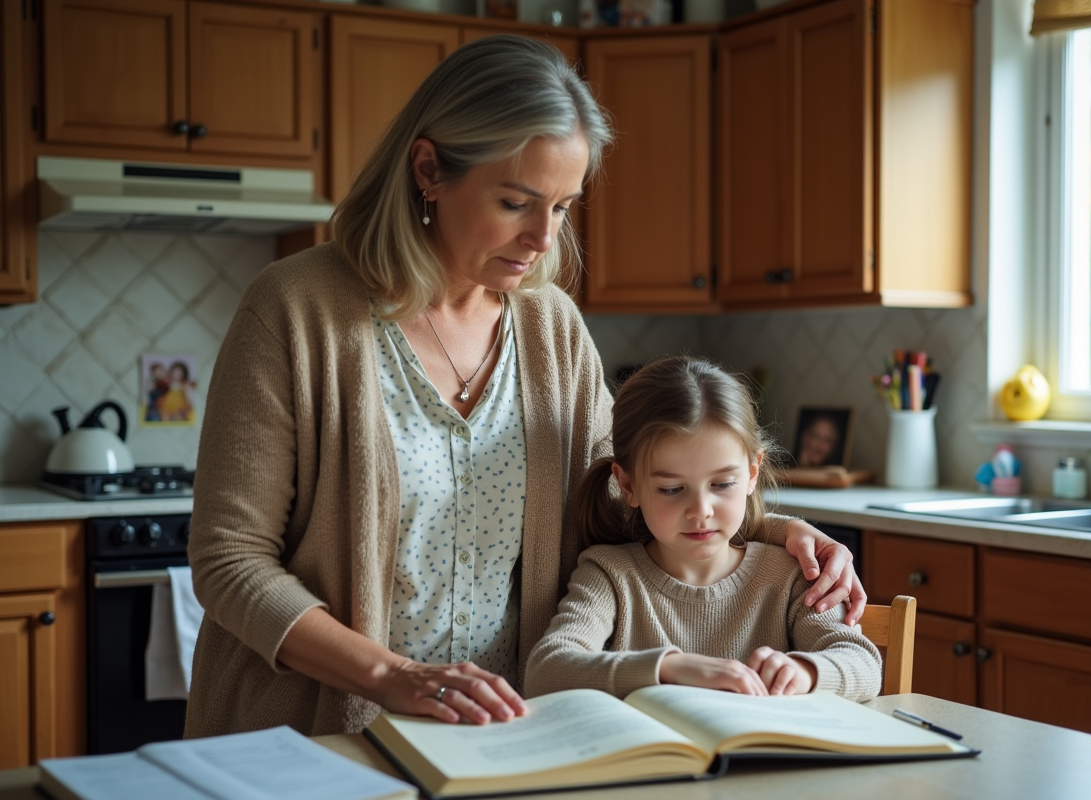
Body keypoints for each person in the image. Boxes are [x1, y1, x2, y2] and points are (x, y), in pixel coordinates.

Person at [185, 34, 866, 741]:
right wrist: (392, 677)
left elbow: (630, 492)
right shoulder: (295, 310)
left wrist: (780, 531)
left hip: (504, 733)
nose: (544, 237)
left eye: (564, 207)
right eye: (516, 201)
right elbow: (229, 560)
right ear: (429, 170)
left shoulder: (551, 329)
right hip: (314, 733)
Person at [525, 357, 881, 701]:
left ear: (752, 474)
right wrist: (669, 668)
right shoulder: (608, 574)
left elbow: (863, 664)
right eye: (671, 489)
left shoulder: (792, 574)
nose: (700, 511)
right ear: (628, 485)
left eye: (723, 484)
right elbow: (546, 671)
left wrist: (805, 672)